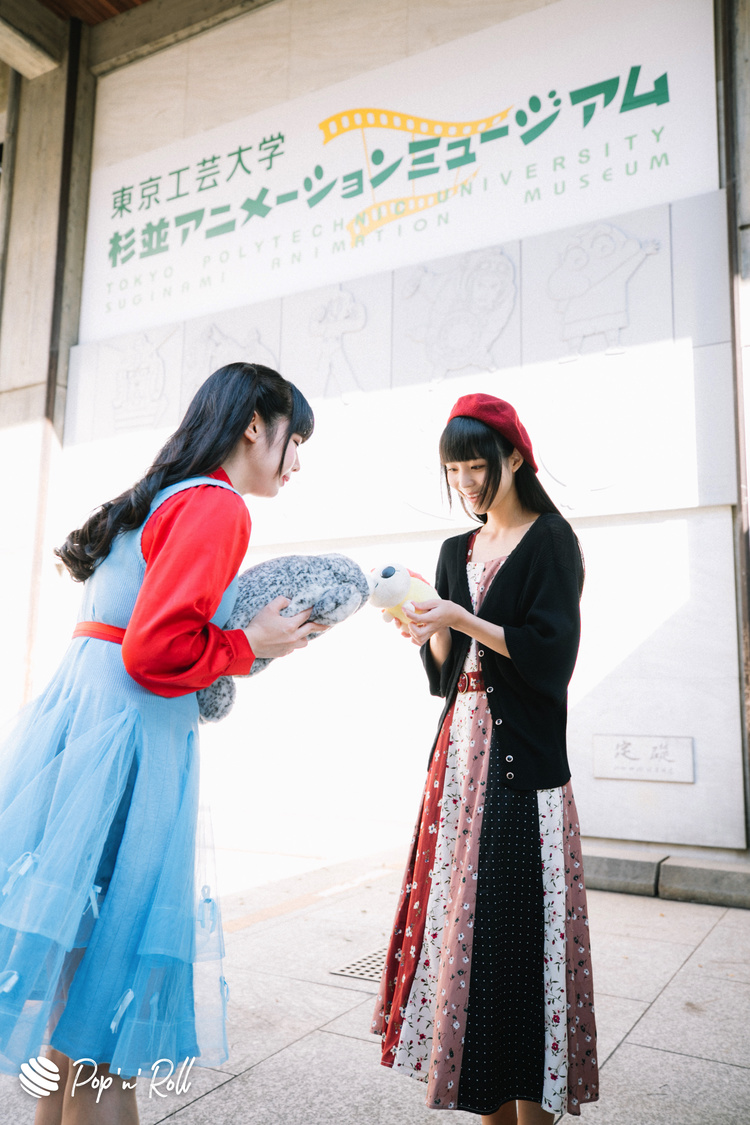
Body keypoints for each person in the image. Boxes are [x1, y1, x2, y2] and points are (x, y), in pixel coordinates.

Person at [0, 363, 322, 1124]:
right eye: (294, 440)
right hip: (134, 745)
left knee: (88, 1007)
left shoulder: (159, 497)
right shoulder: (217, 506)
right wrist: (250, 643)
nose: (297, 462)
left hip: (86, 730)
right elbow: (157, 651)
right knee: (107, 1004)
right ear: (254, 425)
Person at [372, 394, 599, 1123]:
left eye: (477, 464)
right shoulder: (454, 551)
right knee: (469, 934)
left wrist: (462, 616)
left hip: (518, 763)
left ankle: (532, 1099)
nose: (467, 479)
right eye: (455, 467)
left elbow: (548, 654)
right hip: (459, 756)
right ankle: (492, 1099)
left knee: (518, 937)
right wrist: (426, 626)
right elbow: (447, 671)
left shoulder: (551, 539)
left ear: (516, 459)